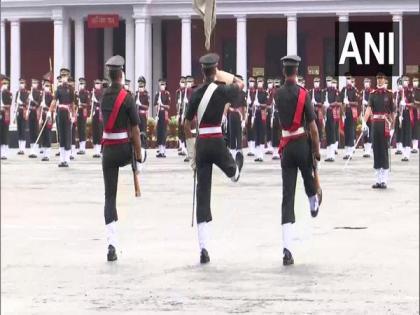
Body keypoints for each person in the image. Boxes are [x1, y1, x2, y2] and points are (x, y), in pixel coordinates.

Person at [184, 53, 244, 264]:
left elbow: (186, 123)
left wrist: (191, 152)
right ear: (215, 69)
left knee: (203, 194)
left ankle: (204, 248)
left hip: (201, 144)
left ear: (202, 71)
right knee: (233, 173)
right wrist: (222, 75)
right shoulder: (222, 90)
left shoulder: (195, 94)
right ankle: (234, 171)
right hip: (217, 141)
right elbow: (240, 83)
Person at [275, 55, 321, 266]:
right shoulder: (303, 94)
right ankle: (313, 203)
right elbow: (312, 126)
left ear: (284, 72)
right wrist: (317, 150)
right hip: (302, 143)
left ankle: (287, 249)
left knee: (287, 196)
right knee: (308, 179)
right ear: (297, 71)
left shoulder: (277, 94)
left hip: (286, 146)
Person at [100, 55, 145, 261]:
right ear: (122, 74)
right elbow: (135, 130)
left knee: (110, 197)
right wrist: (138, 153)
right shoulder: (127, 97)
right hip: (124, 150)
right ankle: (138, 168)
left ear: (110, 76)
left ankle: (111, 244)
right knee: (142, 155)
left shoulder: (103, 96)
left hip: (108, 150)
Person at [361, 72, 395, 188]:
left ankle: (384, 180)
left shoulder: (389, 94)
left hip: (385, 124)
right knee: (376, 150)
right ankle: (378, 179)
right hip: (375, 125)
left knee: (384, 151)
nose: (379, 81)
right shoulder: (372, 94)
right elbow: (369, 109)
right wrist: (364, 122)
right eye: (378, 79)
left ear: (384, 80)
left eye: (381, 79)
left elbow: (392, 112)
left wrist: (393, 127)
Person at [49, 68, 75, 167]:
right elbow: (54, 101)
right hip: (60, 112)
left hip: (67, 113)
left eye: (65, 76)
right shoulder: (58, 89)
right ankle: (61, 159)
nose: (64, 78)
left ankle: (67, 159)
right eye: (62, 76)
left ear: (68, 77)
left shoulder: (71, 89)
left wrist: (73, 115)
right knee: (61, 135)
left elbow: (72, 103)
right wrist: (49, 112)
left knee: (67, 134)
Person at [340, 73, 359, 160]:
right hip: (345, 114)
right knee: (346, 132)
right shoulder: (344, 89)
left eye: (349, 79)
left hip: (352, 113)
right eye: (347, 78)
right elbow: (339, 100)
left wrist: (349, 102)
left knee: (351, 132)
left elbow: (357, 102)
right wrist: (342, 106)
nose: (348, 80)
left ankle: (350, 152)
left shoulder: (354, 90)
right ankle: (347, 151)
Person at [227, 74, 247, 158]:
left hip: (239, 114)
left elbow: (245, 107)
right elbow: (227, 104)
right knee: (231, 132)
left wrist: (244, 119)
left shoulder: (243, 93)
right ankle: (232, 149)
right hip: (232, 113)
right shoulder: (230, 93)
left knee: (239, 132)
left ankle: (239, 149)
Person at [154, 78, 171, 158]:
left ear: (165, 85)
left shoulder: (167, 94)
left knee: (164, 131)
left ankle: (163, 150)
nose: (162, 86)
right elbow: (155, 105)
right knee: (159, 132)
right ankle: (160, 150)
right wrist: (157, 105)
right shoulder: (157, 94)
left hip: (164, 113)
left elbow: (168, 106)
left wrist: (162, 105)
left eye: (163, 85)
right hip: (159, 114)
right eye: (161, 85)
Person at [398, 76, 413, 162]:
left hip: (408, 114)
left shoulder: (410, 92)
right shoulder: (400, 92)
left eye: (406, 80)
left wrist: (406, 104)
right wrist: (399, 114)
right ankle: (404, 154)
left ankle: (407, 154)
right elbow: (397, 104)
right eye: (404, 80)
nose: (405, 82)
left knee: (408, 133)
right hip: (402, 114)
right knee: (402, 133)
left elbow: (414, 104)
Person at [323, 76, 339, 162]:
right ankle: (328, 154)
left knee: (332, 133)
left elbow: (337, 102)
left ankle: (332, 154)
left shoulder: (335, 91)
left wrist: (329, 104)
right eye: (327, 81)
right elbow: (322, 102)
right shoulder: (324, 91)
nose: (328, 82)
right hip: (326, 114)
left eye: (329, 81)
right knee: (328, 134)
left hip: (333, 114)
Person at [253, 76, 268, 162]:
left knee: (262, 133)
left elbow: (267, 104)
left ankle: (261, 154)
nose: (259, 83)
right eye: (258, 82)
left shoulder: (265, 93)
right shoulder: (255, 93)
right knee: (256, 133)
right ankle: (257, 154)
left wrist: (259, 104)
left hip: (262, 113)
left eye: (261, 82)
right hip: (255, 114)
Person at [39, 78, 54, 161]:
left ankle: (47, 154)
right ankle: (44, 153)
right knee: (43, 134)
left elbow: (53, 106)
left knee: (47, 134)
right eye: (45, 85)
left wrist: (47, 108)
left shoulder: (51, 95)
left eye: (48, 86)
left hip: (48, 115)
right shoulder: (42, 95)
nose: (47, 87)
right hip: (42, 115)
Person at [27, 79, 42, 158]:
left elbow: (38, 103)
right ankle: (31, 150)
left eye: (35, 83)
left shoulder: (39, 93)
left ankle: (35, 150)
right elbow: (26, 103)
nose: (34, 84)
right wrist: (28, 99)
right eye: (33, 83)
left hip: (36, 112)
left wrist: (32, 99)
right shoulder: (30, 92)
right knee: (31, 131)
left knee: (35, 131)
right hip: (30, 112)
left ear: (38, 84)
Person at [15, 78, 29, 155]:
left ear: (25, 84)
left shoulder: (27, 93)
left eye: (23, 83)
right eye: (20, 82)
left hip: (23, 111)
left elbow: (27, 103)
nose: (21, 84)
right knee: (19, 130)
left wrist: (22, 103)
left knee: (23, 130)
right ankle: (19, 148)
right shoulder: (18, 92)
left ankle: (23, 149)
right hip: (18, 112)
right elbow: (15, 103)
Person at [135, 76, 150, 151]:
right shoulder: (136, 94)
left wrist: (140, 104)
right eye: (139, 86)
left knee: (143, 129)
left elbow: (147, 106)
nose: (140, 87)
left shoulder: (146, 95)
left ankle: (144, 144)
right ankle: (138, 143)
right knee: (137, 129)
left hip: (143, 115)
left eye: (142, 86)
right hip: (137, 114)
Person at [310, 77, 325, 150]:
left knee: (319, 128)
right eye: (315, 82)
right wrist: (311, 103)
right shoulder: (311, 91)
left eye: (317, 82)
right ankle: (313, 145)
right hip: (313, 112)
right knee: (312, 128)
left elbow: (322, 102)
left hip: (319, 112)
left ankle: (318, 145)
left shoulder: (321, 92)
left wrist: (316, 103)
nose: (316, 83)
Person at [76, 78, 89, 155]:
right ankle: (80, 147)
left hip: (83, 111)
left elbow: (88, 104)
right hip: (78, 112)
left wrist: (81, 104)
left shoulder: (86, 93)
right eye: (80, 84)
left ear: (85, 85)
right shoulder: (77, 93)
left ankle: (83, 148)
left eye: (82, 84)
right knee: (79, 129)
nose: (81, 85)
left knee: (83, 129)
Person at [0, 76, 12, 159]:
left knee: (4, 133)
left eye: (6, 83)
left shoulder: (8, 93)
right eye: (3, 83)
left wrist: (3, 106)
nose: (5, 85)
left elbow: (9, 105)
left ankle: (4, 153)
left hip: (5, 113)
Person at [361, 78, 373, 158]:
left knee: (370, 131)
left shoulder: (372, 93)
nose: (366, 84)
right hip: (363, 114)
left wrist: (367, 103)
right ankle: (366, 149)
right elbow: (359, 104)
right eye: (365, 82)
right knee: (364, 132)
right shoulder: (362, 92)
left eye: (368, 82)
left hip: (371, 115)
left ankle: (369, 150)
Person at [92, 79, 104, 158]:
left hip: (100, 114)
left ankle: (100, 150)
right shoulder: (93, 92)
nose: (97, 85)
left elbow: (102, 102)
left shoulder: (103, 93)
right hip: (95, 114)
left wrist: (96, 101)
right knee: (95, 131)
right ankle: (96, 150)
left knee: (100, 131)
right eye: (95, 83)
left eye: (98, 83)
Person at [176, 76, 187, 156]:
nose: (182, 83)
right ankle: (181, 146)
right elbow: (177, 104)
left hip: (185, 112)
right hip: (180, 112)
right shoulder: (178, 92)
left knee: (184, 129)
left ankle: (184, 148)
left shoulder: (187, 91)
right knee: (180, 129)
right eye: (181, 82)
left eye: (183, 82)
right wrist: (177, 113)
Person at [246, 77, 256, 156]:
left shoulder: (256, 92)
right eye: (250, 81)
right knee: (248, 129)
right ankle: (250, 148)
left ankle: (254, 148)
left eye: (252, 81)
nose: (251, 83)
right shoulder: (246, 91)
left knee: (253, 129)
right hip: (248, 112)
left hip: (254, 112)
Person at [412, 77, 420, 153]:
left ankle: (416, 146)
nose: (415, 82)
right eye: (414, 81)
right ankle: (413, 147)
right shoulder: (410, 91)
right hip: (411, 113)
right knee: (412, 129)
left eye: (416, 81)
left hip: (418, 112)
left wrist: (416, 102)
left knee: (417, 130)